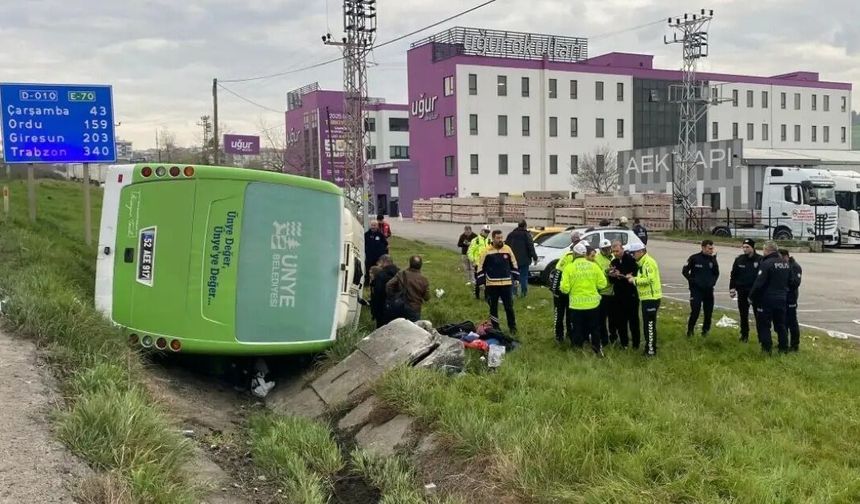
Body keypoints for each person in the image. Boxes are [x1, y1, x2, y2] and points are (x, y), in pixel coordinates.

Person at [560, 241, 607, 356]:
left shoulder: (569, 268)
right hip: (593, 304)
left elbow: (565, 289)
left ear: (574, 254)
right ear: (585, 254)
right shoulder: (594, 266)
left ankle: (578, 351)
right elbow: (603, 284)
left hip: (576, 305)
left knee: (577, 329)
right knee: (595, 328)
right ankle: (597, 349)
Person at [748, 241, 791, 354]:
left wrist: (751, 296)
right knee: (780, 325)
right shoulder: (785, 263)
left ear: (767, 250)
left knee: (764, 325)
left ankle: (766, 349)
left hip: (767, 299)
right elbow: (790, 281)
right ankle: (783, 348)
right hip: (782, 298)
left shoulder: (767, 263)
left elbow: (759, 282)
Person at [476, 230, 518, 333]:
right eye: (498, 238)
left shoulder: (507, 249)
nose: (500, 240)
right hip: (492, 284)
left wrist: (516, 278)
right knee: (493, 308)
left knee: (509, 307)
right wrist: (481, 283)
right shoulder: (486, 251)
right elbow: (480, 267)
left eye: (501, 238)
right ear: (493, 238)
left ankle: (512, 328)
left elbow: (514, 263)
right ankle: (496, 328)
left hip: (506, 284)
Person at [626, 242, 662, 357]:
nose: (632, 255)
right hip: (646, 298)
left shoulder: (648, 263)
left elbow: (649, 279)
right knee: (647, 325)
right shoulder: (642, 263)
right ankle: (648, 347)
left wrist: (634, 281)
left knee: (649, 326)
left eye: (633, 253)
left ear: (641, 251)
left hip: (651, 298)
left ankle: (651, 350)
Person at [682, 239, 720, 337]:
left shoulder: (713, 260)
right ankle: (690, 331)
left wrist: (712, 283)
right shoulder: (694, 258)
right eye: (709, 248)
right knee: (695, 311)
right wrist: (692, 281)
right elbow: (685, 271)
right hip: (696, 291)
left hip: (708, 291)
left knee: (708, 313)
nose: (711, 250)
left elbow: (716, 273)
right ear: (703, 248)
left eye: (712, 248)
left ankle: (705, 332)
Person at [550, 231, 582, 343]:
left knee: (570, 315)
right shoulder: (567, 256)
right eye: (576, 241)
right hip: (560, 290)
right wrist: (555, 290)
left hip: (572, 291)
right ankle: (559, 337)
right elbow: (557, 272)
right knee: (559, 315)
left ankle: (570, 334)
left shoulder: (584, 257)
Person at [729, 239, 763, 342]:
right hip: (742, 291)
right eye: (743, 247)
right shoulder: (739, 259)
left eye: (747, 247)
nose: (745, 249)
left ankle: (761, 337)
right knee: (743, 315)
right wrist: (732, 288)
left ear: (753, 247)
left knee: (759, 316)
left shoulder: (760, 260)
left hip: (755, 292)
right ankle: (744, 335)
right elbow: (733, 275)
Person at [608, 240, 639, 349]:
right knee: (621, 321)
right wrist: (611, 275)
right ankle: (624, 343)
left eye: (617, 251)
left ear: (622, 249)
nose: (615, 253)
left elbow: (632, 276)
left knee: (633, 321)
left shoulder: (630, 260)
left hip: (631, 295)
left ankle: (636, 344)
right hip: (618, 295)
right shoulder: (614, 262)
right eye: (613, 251)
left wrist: (620, 275)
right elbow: (612, 280)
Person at [385, 255, 430, 322]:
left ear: (410, 263)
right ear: (421, 265)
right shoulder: (423, 280)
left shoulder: (401, 274)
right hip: (414, 309)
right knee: (412, 329)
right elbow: (427, 298)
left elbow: (388, 285)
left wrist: (392, 296)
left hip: (399, 306)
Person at [505, 220, 538, 298]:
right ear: (525, 226)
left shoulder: (511, 235)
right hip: (524, 260)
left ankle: (514, 293)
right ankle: (523, 294)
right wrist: (535, 258)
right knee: (523, 277)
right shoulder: (526, 235)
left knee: (513, 277)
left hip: (513, 261)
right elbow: (531, 247)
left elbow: (506, 247)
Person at [594, 239, 616, 346]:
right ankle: (604, 339)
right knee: (601, 319)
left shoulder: (613, 257)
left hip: (614, 292)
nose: (607, 251)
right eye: (604, 249)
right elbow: (596, 273)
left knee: (613, 318)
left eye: (608, 248)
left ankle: (613, 338)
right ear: (600, 249)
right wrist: (607, 272)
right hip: (603, 292)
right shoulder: (597, 258)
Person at [780, 249, 803, 352]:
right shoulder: (782, 266)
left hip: (791, 297)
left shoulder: (795, 267)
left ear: (786, 257)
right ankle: (783, 343)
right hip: (782, 297)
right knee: (783, 322)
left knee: (792, 322)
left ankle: (794, 345)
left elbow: (795, 283)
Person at [369, 255, 398, 328]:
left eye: (379, 263)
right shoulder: (399, 273)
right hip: (397, 307)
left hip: (382, 308)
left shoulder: (381, 275)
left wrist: (375, 312)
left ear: (384, 262)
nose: (378, 265)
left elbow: (377, 294)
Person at [467, 225, 492, 299]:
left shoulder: (489, 241)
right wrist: (473, 260)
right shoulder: (476, 240)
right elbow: (470, 252)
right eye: (485, 231)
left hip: (487, 264)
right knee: (479, 280)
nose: (487, 233)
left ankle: (486, 296)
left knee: (487, 280)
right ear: (482, 231)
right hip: (478, 264)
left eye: (488, 232)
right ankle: (477, 296)